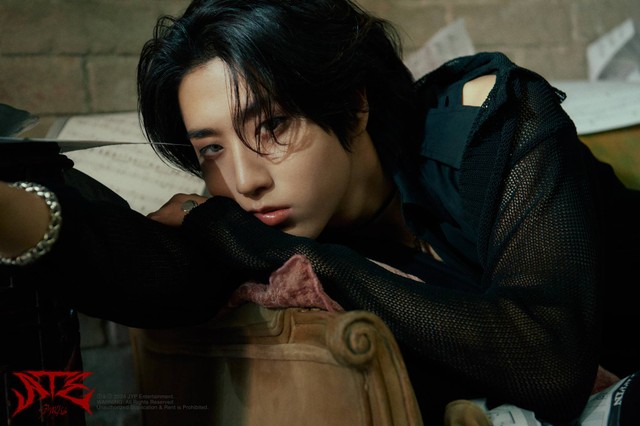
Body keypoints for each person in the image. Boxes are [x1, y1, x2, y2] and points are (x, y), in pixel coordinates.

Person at [1, 0, 639, 424]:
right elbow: (153, 275)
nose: (245, 181)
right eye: (211, 149)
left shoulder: (489, 118)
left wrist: (301, 257)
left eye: (273, 125)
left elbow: (550, 362)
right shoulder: (257, 218)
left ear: (354, 106)